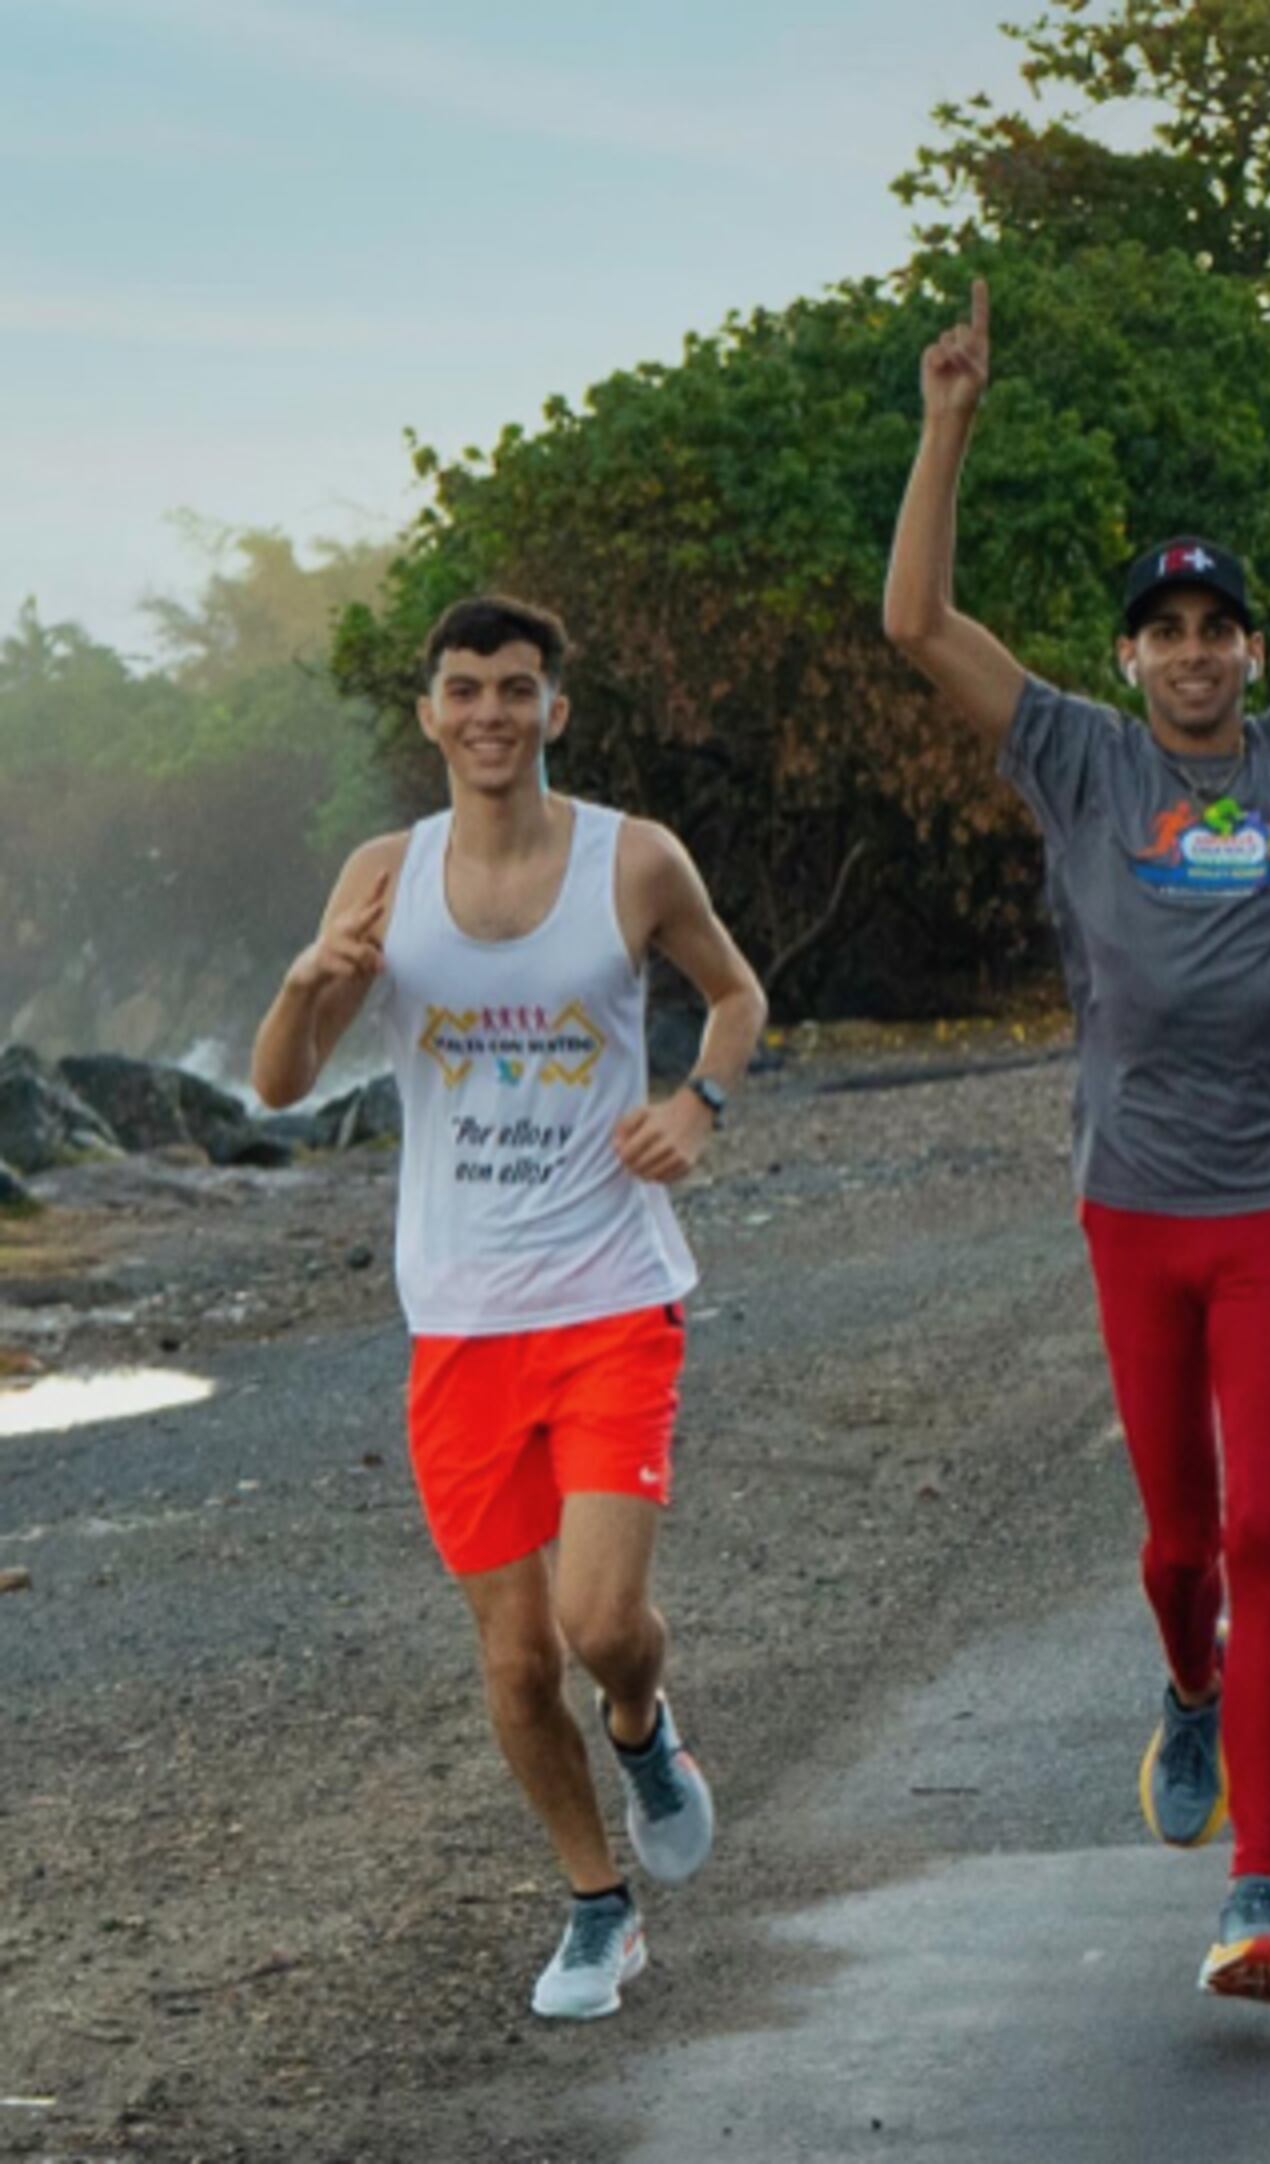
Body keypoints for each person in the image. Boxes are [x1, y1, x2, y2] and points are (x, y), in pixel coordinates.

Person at [882, 258, 1270, 2000]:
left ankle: (1261, 1891)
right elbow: (920, 627)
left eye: (1221, 628)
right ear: (1132, 654)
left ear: (1254, 651)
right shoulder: (1077, 759)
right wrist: (947, 428)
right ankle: (1190, 1688)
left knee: (1269, 1533)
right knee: (1174, 1545)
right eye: (1167, 631)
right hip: (1133, 1213)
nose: (1198, 653)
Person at [250, 596, 768, 2020]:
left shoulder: (634, 860)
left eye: (517, 689)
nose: (490, 712)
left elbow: (736, 995)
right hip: (460, 1319)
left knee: (603, 1625)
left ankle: (648, 1730)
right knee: (516, 1659)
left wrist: (698, 1105)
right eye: (465, 689)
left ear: (557, 711)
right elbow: (281, 1083)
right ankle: (601, 1905)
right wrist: (308, 986)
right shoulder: (380, 878)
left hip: (611, 1289)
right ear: (428, 715)